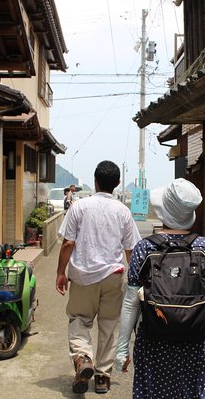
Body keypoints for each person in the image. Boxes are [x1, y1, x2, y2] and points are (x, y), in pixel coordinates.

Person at [115, 178, 205, 399]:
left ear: (163, 211)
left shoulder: (144, 249)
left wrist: (122, 349)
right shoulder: (204, 246)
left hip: (155, 344)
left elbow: (131, 303)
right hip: (197, 342)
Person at [56, 160, 141, 394]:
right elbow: (130, 250)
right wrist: (134, 283)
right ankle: (103, 377)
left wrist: (60, 272)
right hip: (114, 276)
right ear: (117, 184)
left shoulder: (79, 207)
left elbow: (68, 243)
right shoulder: (123, 211)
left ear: (95, 181)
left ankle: (83, 358)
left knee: (79, 319)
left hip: (83, 277)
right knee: (109, 325)